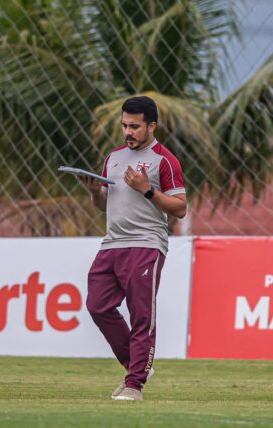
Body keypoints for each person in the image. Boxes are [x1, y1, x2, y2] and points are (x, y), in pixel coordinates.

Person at [78, 96, 187, 401]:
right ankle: (136, 364)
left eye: (135, 126)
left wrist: (147, 189)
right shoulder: (113, 157)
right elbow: (104, 204)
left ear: (152, 126)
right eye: (125, 125)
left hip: (146, 244)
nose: (128, 131)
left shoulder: (165, 160)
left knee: (141, 316)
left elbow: (180, 209)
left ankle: (134, 384)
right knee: (97, 305)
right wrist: (93, 193)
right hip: (112, 243)